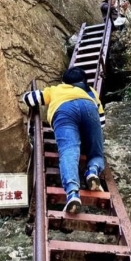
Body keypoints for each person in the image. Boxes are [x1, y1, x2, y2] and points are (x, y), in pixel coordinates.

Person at [22, 67, 106, 213]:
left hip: (63, 110)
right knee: (96, 153)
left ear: (64, 82)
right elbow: (102, 122)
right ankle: (92, 171)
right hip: (89, 107)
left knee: (69, 150)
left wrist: (26, 95)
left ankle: (73, 193)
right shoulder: (90, 92)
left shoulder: (56, 89)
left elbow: (30, 99)